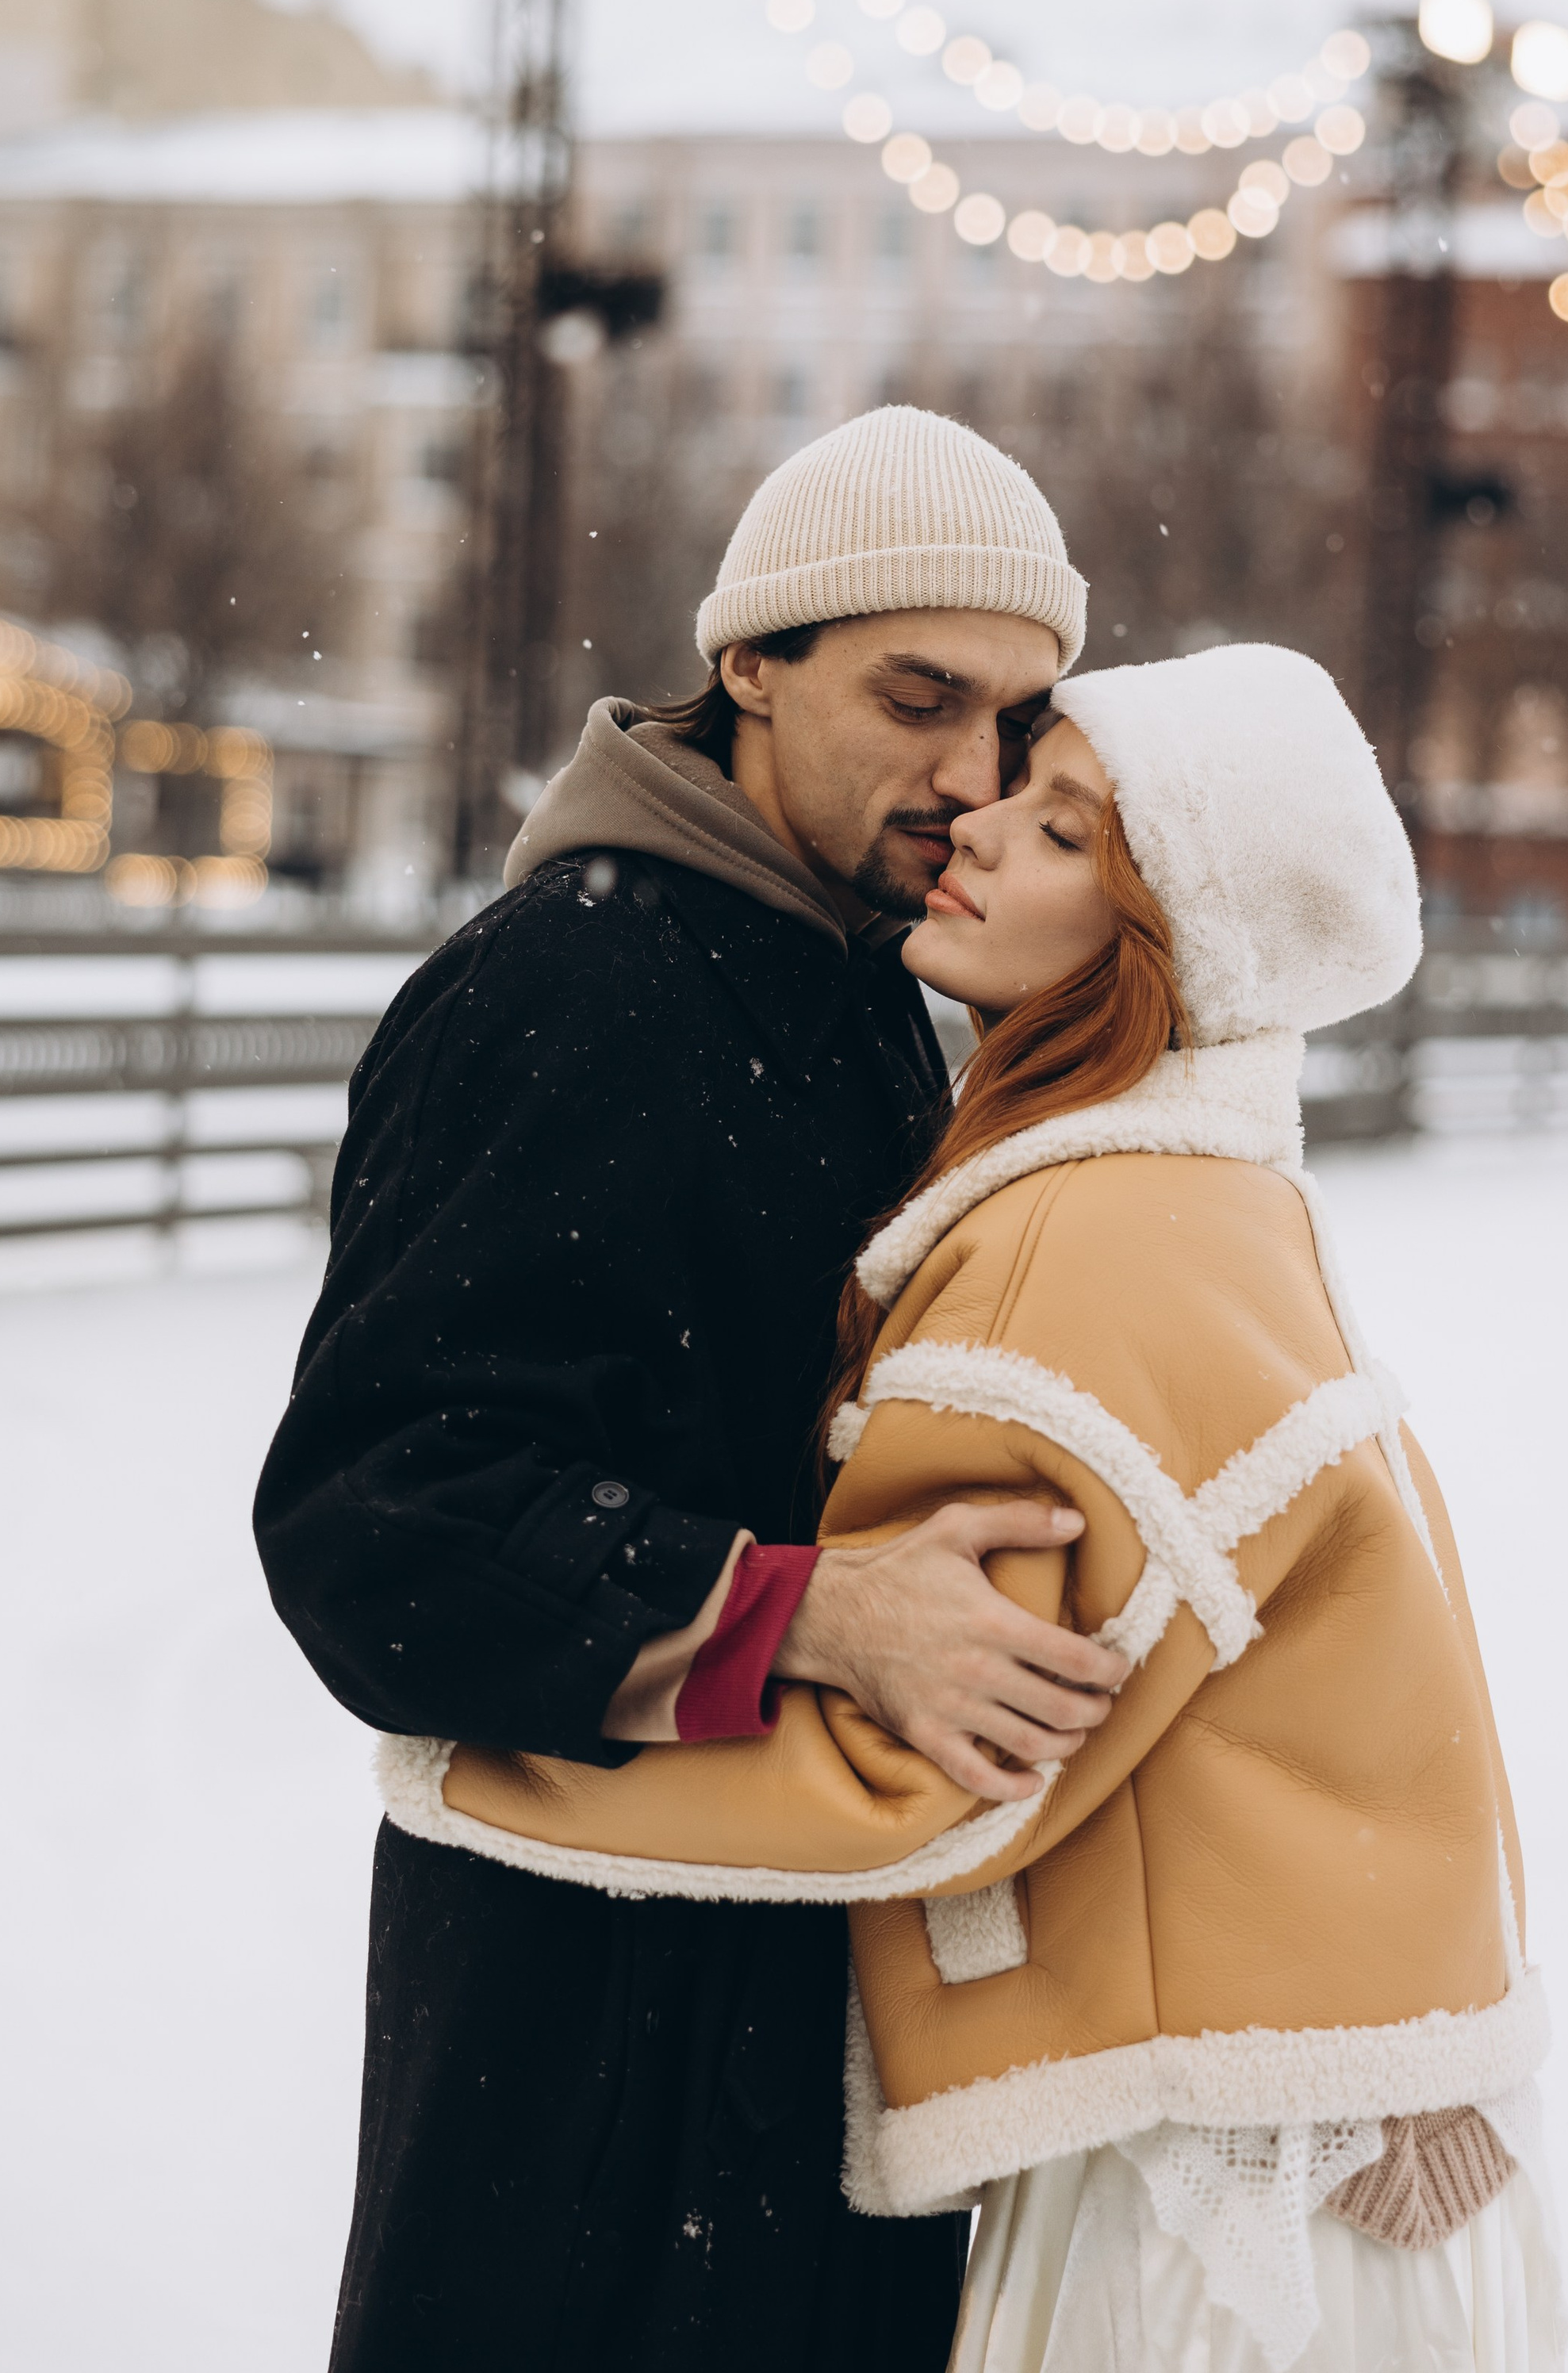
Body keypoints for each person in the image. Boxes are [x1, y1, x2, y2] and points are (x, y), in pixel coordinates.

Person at [380, 644, 1566, 2373]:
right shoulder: (1219, 1208)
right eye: (1017, 779)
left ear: (1170, 941)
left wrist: (476, 1764)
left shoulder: (1073, 1250)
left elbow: (928, 1774)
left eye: (1065, 828)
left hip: (1183, 2206)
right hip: (1270, 2128)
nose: (977, 827)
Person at [255, 406, 1132, 2373]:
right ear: (750, 660)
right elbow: (376, 1520)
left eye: (1015, 717)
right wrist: (806, 1608)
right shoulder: (566, 987)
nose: (969, 774)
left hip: (796, 2014)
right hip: (589, 2054)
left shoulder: (864, 990)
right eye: (917, 696)